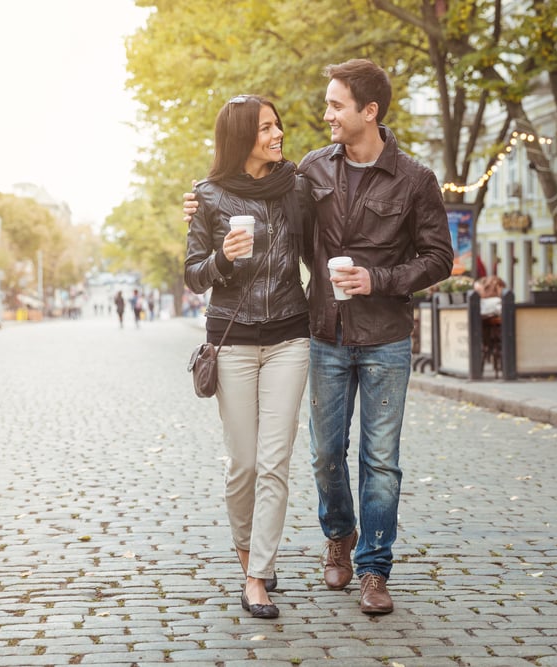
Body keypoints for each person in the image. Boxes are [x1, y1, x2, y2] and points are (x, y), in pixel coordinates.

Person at [183, 60, 452, 616]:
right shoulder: (311, 171)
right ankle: (336, 538)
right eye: (326, 105)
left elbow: (439, 258)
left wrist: (378, 279)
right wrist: (203, 212)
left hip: (371, 335)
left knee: (379, 460)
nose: (322, 115)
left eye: (334, 105)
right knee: (320, 456)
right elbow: (240, 216)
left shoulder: (413, 179)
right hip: (319, 332)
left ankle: (371, 570)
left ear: (367, 111)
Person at [185, 94, 311, 620]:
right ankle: (246, 551)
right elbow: (192, 275)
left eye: (277, 125)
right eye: (265, 128)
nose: (277, 134)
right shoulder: (208, 196)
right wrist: (221, 259)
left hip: (289, 336)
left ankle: (257, 575)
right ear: (241, 137)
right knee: (243, 464)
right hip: (232, 340)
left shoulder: (298, 186)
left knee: (275, 462)